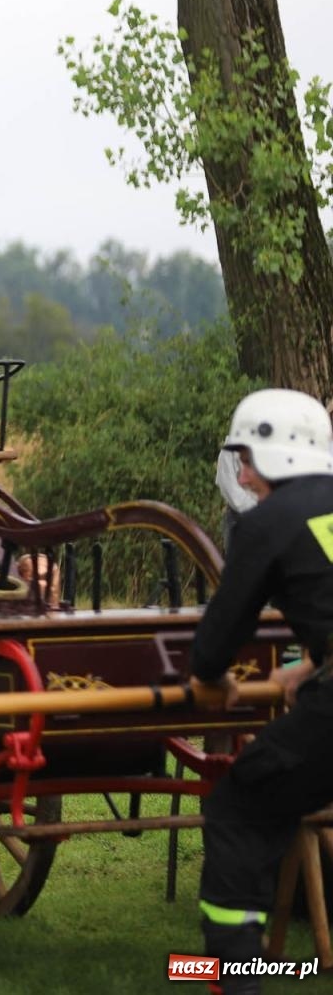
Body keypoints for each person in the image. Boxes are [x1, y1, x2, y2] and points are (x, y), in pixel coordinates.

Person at [187, 389, 333, 994]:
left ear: (272, 458)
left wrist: (211, 680)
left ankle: (237, 972)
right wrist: (312, 666)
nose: (241, 473)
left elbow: (219, 637)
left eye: (245, 458)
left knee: (239, 806)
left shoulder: (267, 523)